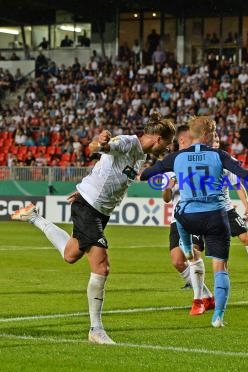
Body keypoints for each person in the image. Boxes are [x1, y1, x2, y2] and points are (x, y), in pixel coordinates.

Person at [10, 113, 176, 344]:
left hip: (99, 209)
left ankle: (33, 217)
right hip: (89, 206)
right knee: (102, 265)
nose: (166, 149)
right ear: (158, 139)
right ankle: (96, 329)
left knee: (70, 254)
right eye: (167, 144)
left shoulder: (140, 156)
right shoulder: (128, 142)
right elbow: (98, 148)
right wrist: (102, 142)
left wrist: (89, 184)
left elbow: (105, 169)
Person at [140, 116, 248, 328]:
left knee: (184, 230)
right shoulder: (219, 155)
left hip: (189, 217)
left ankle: (189, 253)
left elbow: (147, 175)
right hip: (215, 216)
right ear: (207, 134)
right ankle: (218, 316)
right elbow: (246, 176)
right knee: (220, 267)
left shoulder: (177, 158)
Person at [189, 133, 248, 288]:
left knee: (245, 238)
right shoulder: (197, 160)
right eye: (213, 141)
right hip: (203, 211)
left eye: (218, 140)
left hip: (226, 209)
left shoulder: (225, 162)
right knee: (196, 248)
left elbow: (238, 186)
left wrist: (247, 206)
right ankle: (197, 286)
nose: (216, 143)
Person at [162, 125, 215, 316]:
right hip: (177, 218)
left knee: (192, 254)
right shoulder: (170, 164)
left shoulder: (198, 161)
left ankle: (198, 301)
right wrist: (169, 186)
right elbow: (166, 198)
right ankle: (208, 296)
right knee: (177, 261)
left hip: (194, 214)